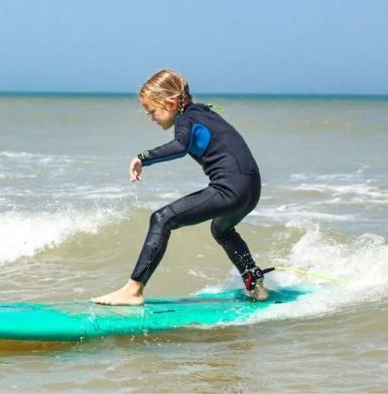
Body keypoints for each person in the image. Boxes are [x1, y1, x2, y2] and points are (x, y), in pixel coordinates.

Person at [91, 69, 269, 305]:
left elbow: (179, 146)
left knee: (161, 218)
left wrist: (143, 157)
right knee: (222, 230)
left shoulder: (186, 119)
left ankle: (133, 290)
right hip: (251, 189)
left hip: (231, 188)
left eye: (152, 111)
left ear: (171, 103)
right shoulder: (203, 113)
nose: (151, 118)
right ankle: (254, 281)